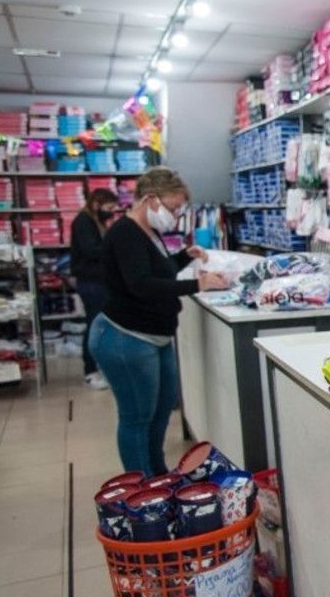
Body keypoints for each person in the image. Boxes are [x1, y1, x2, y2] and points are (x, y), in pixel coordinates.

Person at [89, 167, 230, 476]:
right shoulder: (125, 234)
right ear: (151, 199)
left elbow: (158, 270)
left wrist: (185, 256)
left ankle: (158, 476)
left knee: (161, 410)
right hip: (126, 338)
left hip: (154, 337)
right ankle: (144, 489)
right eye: (174, 207)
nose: (176, 215)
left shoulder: (147, 232)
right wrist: (198, 285)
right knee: (137, 418)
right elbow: (142, 285)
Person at [71, 188, 120, 390]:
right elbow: (90, 250)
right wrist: (114, 246)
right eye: (109, 208)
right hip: (91, 282)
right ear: (97, 205)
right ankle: (90, 371)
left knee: (101, 326)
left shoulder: (94, 222)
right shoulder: (84, 222)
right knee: (94, 325)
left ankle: (99, 368)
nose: (111, 212)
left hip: (98, 280)